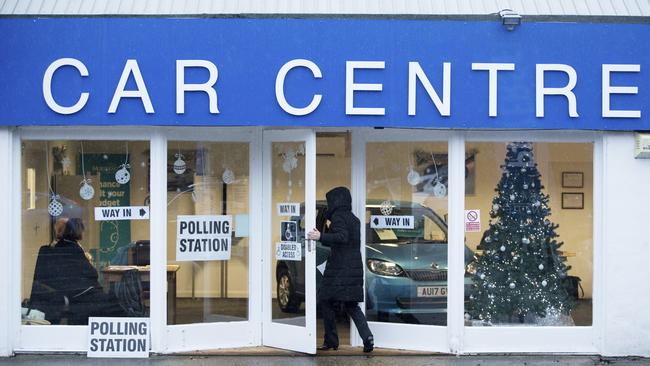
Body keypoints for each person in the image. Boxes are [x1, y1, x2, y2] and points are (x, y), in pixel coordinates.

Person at [307, 186, 374, 353]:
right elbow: (342, 239)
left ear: (335, 202)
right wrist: (326, 235)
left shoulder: (338, 217)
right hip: (353, 267)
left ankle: (331, 341)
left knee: (325, 299)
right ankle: (367, 337)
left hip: (339, 267)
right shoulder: (354, 219)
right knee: (352, 305)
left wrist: (320, 236)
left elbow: (341, 238)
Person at [52, 218, 127, 324]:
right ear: (76, 231)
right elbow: (91, 273)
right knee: (115, 303)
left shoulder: (63, 246)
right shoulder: (72, 248)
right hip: (80, 294)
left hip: (74, 291)